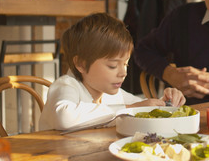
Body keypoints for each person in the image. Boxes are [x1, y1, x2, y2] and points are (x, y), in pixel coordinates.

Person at [39, 13, 185, 131]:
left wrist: (166, 102)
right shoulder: (66, 85)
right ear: (81, 64)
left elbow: (143, 106)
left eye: (126, 64)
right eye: (112, 66)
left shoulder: (111, 93)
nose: (123, 73)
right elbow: (65, 118)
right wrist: (129, 109)